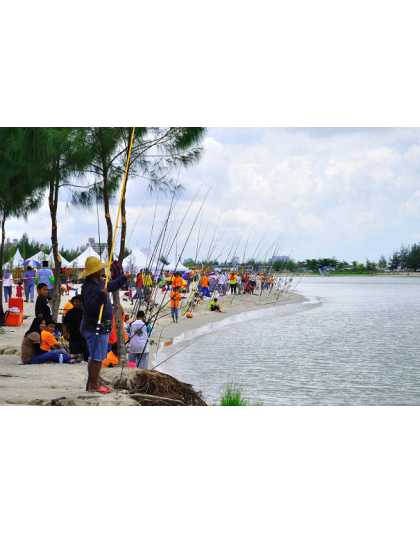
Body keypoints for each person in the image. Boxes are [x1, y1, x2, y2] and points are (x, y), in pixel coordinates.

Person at [79, 256, 129, 394]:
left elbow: (111, 286)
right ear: (93, 272)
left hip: (101, 327)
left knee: (95, 357)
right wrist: (101, 296)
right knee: (97, 358)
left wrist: (123, 278)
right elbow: (91, 307)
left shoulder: (99, 282)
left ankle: (93, 383)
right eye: (99, 268)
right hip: (93, 327)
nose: (102, 269)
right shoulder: (88, 287)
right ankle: (93, 385)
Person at [62, 295, 89, 362]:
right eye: (74, 302)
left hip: (87, 339)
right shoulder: (70, 312)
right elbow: (65, 322)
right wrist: (65, 332)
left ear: (82, 302)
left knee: (88, 358)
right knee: (75, 359)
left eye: (77, 302)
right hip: (74, 339)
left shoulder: (87, 311)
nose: (75, 303)